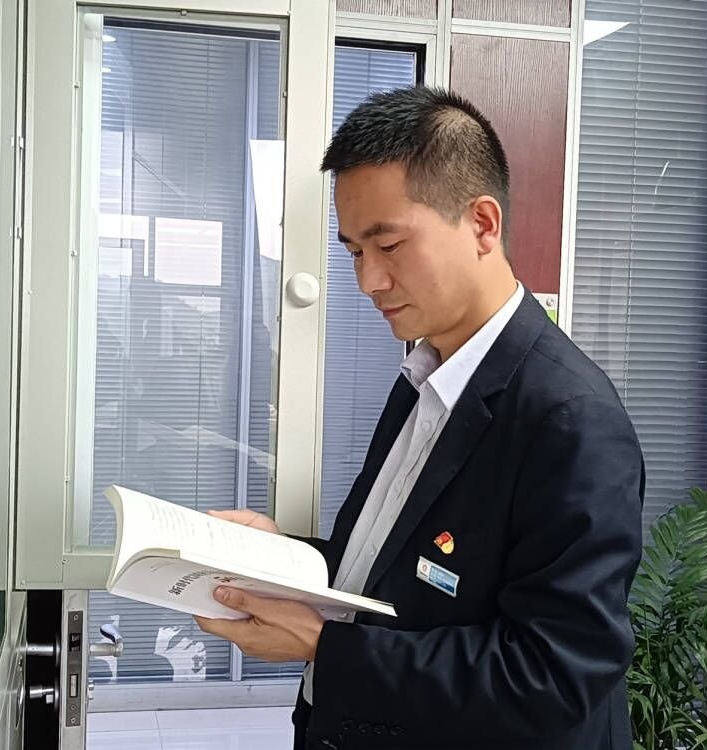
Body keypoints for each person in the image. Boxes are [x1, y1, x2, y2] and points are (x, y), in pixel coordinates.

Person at [195, 85, 644, 750]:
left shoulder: (569, 419)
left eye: (390, 245)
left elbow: (551, 678)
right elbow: (386, 573)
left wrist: (324, 646)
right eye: (355, 251)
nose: (368, 281)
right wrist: (280, 558)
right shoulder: (425, 374)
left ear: (482, 224)